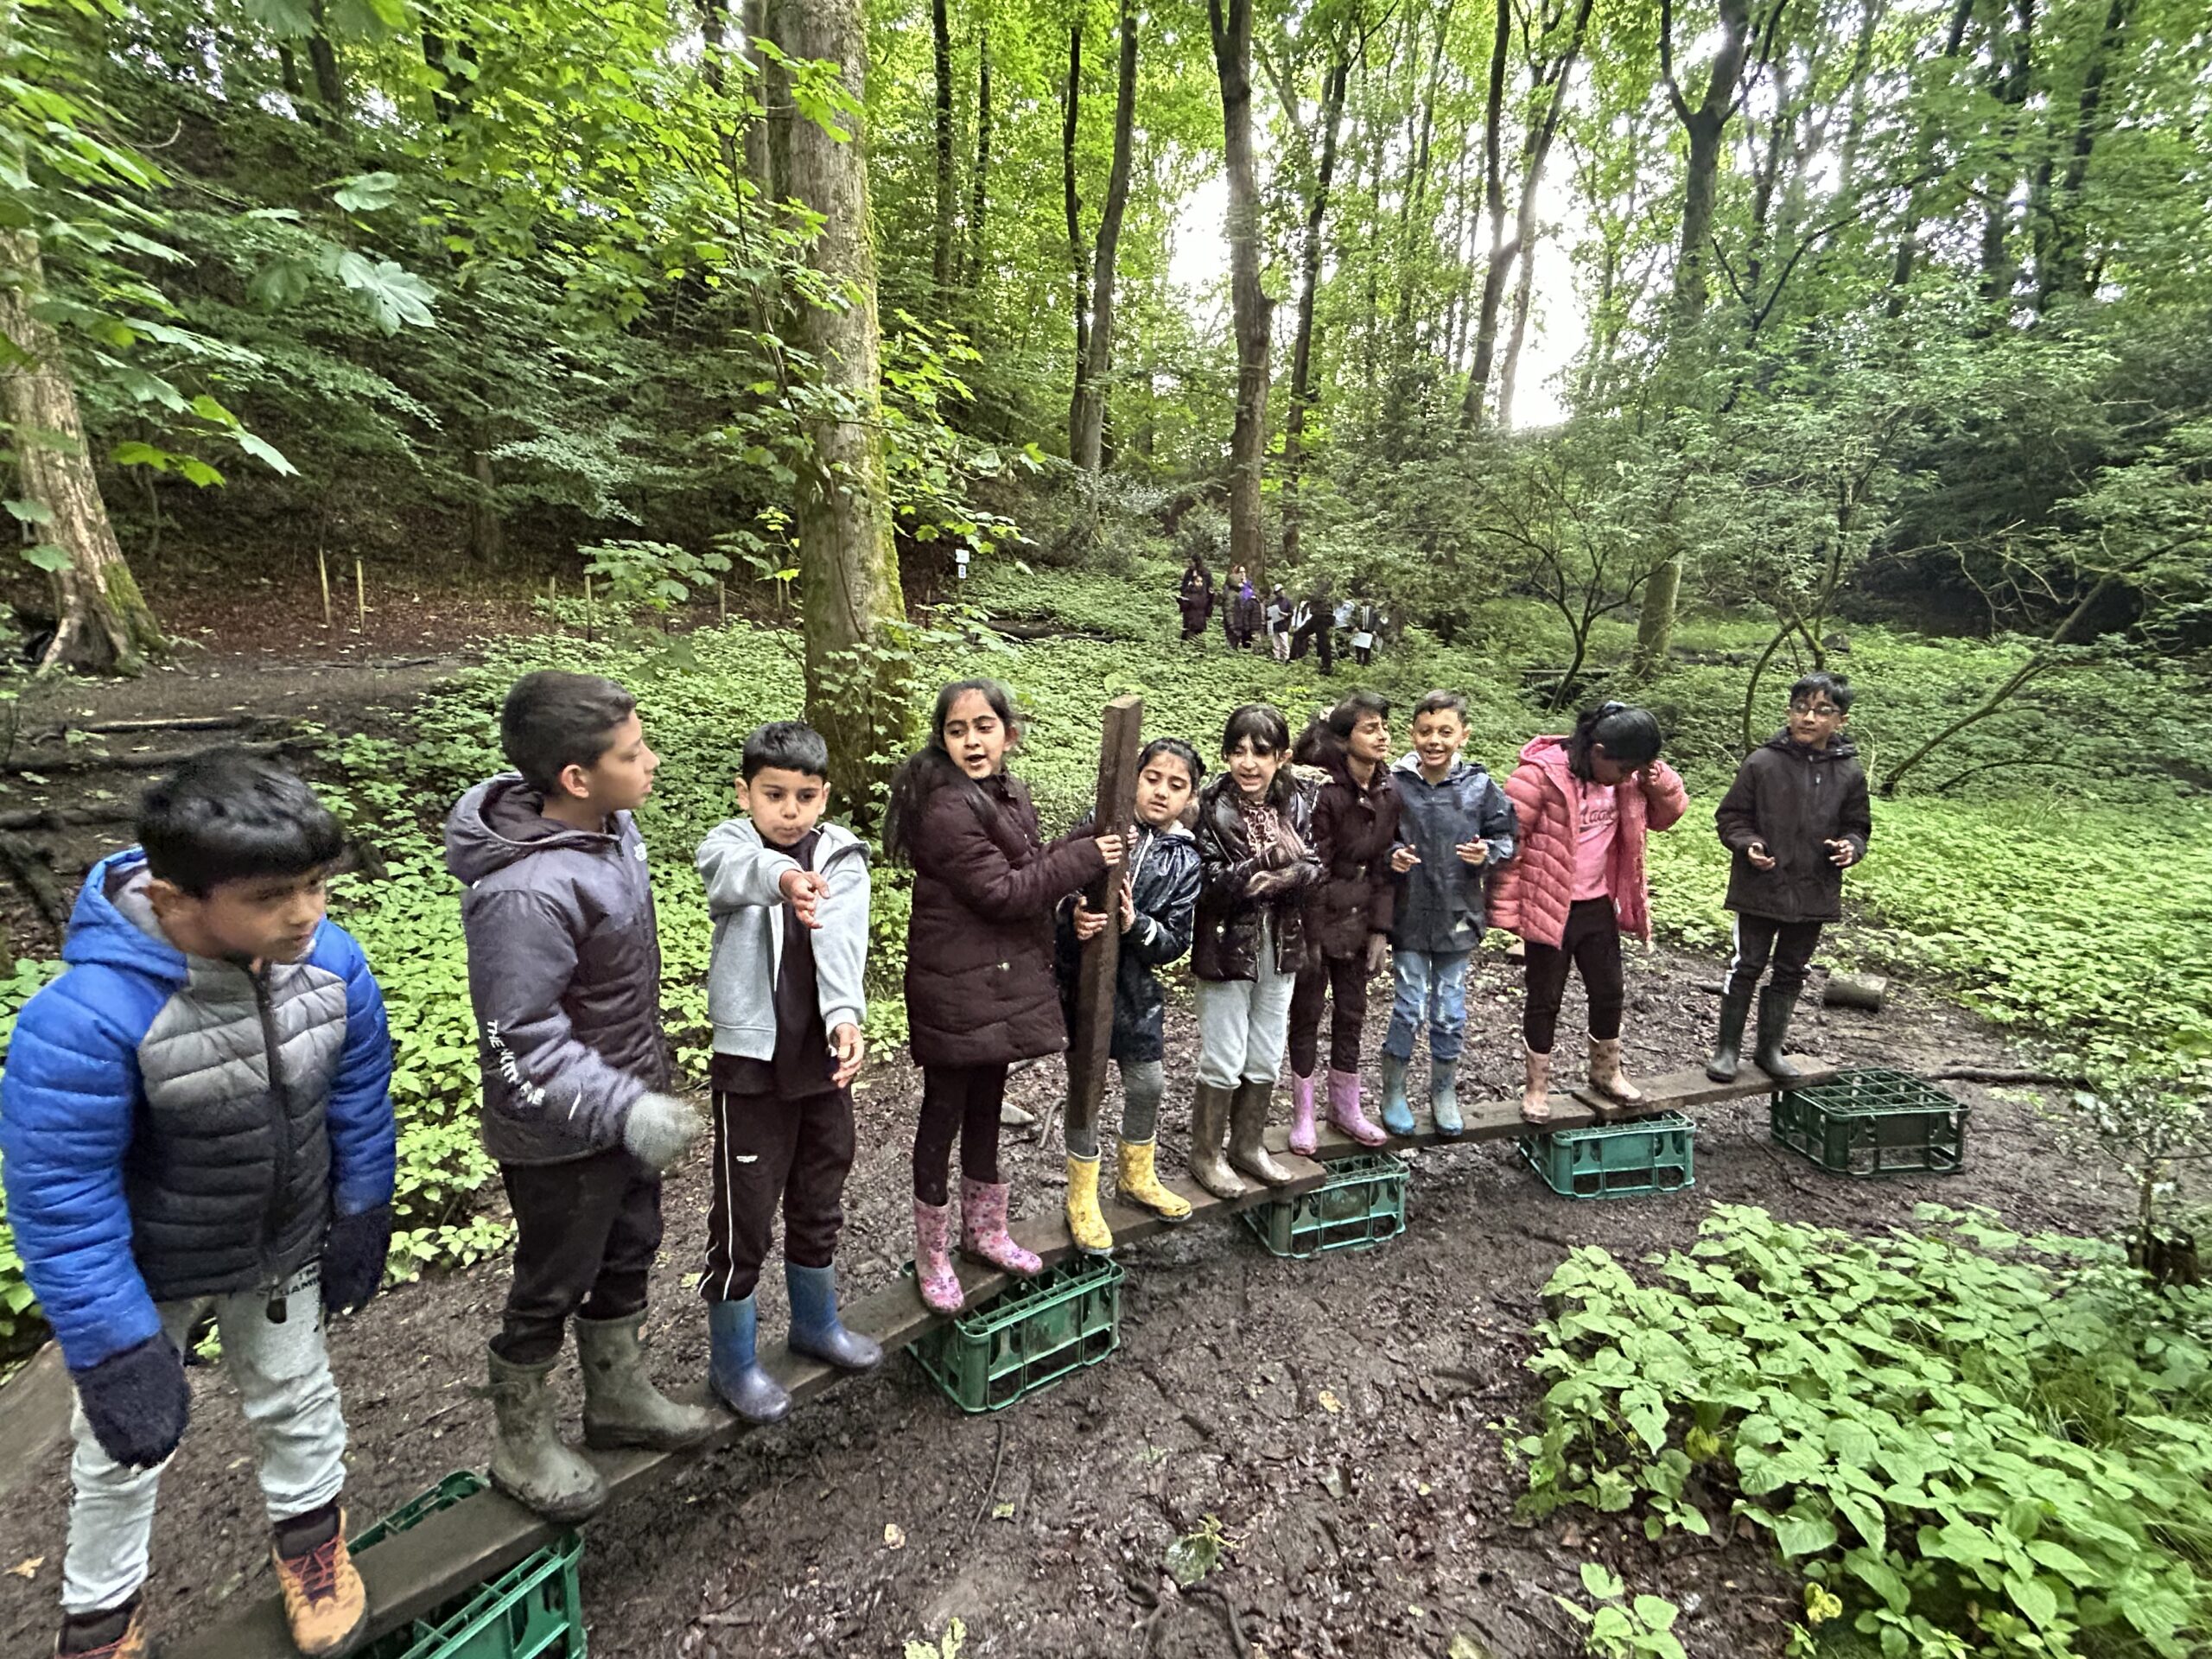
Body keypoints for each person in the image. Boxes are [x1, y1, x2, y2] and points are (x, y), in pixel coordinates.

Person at [0, 751, 396, 1659]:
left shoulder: (331, 965)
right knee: (119, 1445)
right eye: (271, 896)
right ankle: (100, 1618)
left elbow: (358, 1094)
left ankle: (313, 1548)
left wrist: (363, 1207)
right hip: (153, 1271)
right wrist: (114, 1347)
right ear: (173, 898)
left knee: (295, 1395)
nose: (305, 913)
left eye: (315, 885)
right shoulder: (87, 1018)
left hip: (280, 1243)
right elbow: (62, 1195)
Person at [447, 671, 718, 1525]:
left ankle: (618, 1395)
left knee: (630, 1246)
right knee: (552, 1279)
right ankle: (521, 1439)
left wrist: (637, 1097)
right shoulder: (524, 893)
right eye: (633, 754)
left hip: (624, 1101)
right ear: (575, 776)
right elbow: (518, 1037)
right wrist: (621, 1108)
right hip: (559, 1132)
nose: (652, 761)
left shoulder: (611, 829)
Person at [885, 679, 1122, 1314]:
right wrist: (1083, 858)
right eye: (957, 730)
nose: (972, 741)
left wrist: (1082, 853)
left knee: (988, 1103)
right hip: (954, 988)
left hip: (992, 985)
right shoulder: (946, 808)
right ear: (942, 740)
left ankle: (985, 1231)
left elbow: (1030, 864)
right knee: (944, 1113)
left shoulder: (1004, 793)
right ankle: (933, 1253)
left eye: (984, 727)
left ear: (1008, 735)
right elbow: (1005, 892)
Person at [694, 721, 880, 1424]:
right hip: (751, 1068)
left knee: (820, 1191)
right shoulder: (729, 845)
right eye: (774, 795)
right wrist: (784, 878)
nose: (790, 810)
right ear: (745, 793)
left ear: (824, 796)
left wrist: (846, 1018)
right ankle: (733, 1362)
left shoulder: (844, 857)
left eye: (805, 796)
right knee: (744, 1214)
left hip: (821, 1065)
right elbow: (735, 875)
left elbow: (844, 946)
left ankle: (816, 1323)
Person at [1490, 701, 1688, 1122]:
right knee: (1545, 998)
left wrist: (1659, 783)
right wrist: (1508, 912)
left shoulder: (1629, 779)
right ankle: (1537, 1086)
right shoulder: (1540, 776)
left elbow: (1666, 816)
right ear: (1598, 752)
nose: (1629, 776)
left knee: (1609, 990)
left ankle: (1606, 1072)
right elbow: (1509, 843)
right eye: (1625, 769)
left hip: (1598, 903)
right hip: (1549, 904)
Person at [1052, 737, 1205, 1253]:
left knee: (1148, 1081)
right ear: (1134, 779)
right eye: (1152, 778)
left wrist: (1136, 925)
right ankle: (1081, 1194)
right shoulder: (1099, 828)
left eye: (1176, 785)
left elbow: (1175, 939)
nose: (1161, 792)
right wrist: (1072, 914)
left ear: (1190, 796)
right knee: (1087, 1087)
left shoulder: (1185, 860)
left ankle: (1136, 1175)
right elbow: (1056, 886)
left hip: (1137, 991)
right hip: (1083, 983)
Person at [1187, 704, 1324, 1198]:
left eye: (1261, 752)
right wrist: (1261, 865)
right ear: (1226, 755)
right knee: (1224, 1054)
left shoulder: (1299, 800)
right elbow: (1206, 884)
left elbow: (1315, 865)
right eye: (1238, 751)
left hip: (1282, 941)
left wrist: (1290, 875)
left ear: (1281, 757)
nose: (1248, 763)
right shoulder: (1208, 806)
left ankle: (1247, 1144)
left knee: (1266, 1050)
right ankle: (1206, 1153)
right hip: (1226, 945)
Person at [1707, 673, 1870, 1084]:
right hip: (1759, 888)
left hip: (1815, 890)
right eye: (1801, 708)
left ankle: (1769, 1049)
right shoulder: (1762, 763)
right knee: (1746, 965)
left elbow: (1857, 827)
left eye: (1822, 711)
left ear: (1841, 720)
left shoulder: (1849, 772)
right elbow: (1731, 817)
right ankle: (1727, 1051)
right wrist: (1749, 845)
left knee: (1792, 970)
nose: (1809, 718)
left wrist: (1850, 848)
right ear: (1789, 712)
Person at [1382, 691, 1518, 1136]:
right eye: (1425, 731)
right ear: (1412, 734)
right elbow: (1375, 837)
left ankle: (1444, 1090)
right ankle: (1393, 1090)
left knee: (1450, 1009)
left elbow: (1506, 836)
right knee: (1408, 1006)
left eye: (1445, 732)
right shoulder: (1395, 784)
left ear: (1464, 735)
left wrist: (1487, 852)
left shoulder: (1479, 786)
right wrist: (1392, 854)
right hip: (1408, 914)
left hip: (1459, 914)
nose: (1434, 741)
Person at [1286, 693, 1400, 1149]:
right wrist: (1311, 937)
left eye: (1384, 727)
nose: (1382, 736)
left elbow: (1387, 866)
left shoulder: (1390, 791)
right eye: (1370, 728)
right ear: (1344, 738)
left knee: (1352, 1013)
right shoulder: (1323, 793)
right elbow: (1314, 869)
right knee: (1307, 1013)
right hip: (1319, 920)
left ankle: (1346, 1107)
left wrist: (1380, 930)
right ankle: (1304, 1113)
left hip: (1362, 918)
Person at [1289, 577, 1335, 675]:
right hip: (1316, 616)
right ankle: (1293, 659)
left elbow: (1317, 595)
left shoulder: (1324, 582)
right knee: (1298, 635)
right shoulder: (1318, 583)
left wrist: (1306, 591)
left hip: (1324, 616)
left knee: (1323, 643)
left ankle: (1327, 667)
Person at [1178, 556, 1214, 643]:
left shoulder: (1205, 573)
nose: (1190, 564)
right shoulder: (1188, 573)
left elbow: (1210, 589)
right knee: (1188, 627)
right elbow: (1184, 587)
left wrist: (1208, 606)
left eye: (1192, 562)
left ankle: (1198, 645)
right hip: (1189, 605)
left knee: (1199, 629)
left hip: (1202, 603)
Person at [1349, 600, 1384, 666]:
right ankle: (1358, 661)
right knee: (1358, 647)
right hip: (1359, 630)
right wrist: (1354, 627)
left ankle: (1366, 662)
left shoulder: (1374, 611)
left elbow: (1377, 621)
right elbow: (1352, 618)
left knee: (1368, 648)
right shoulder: (1357, 610)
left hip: (1369, 631)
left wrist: (1375, 630)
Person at [1266, 585, 1293, 662]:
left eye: (1282, 590)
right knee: (1275, 644)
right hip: (1275, 626)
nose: (1282, 592)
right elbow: (1269, 613)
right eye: (1279, 591)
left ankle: (1286, 659)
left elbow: (1291, 613)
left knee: (1284, 643)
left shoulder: (1288, 602)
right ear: (1276, 593)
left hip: (1284, 626)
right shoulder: (1273, 602)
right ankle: (1276, 658)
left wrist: (1286, 615)